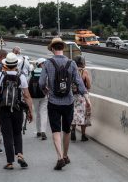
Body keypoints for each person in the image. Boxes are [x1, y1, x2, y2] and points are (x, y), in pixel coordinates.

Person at [39, 37, 91, 171]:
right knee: (67, 130)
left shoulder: (47, 63)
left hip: (53, 102)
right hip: (68, 102)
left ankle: (60, 156)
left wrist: (46, 91)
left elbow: (41, 82)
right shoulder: (72, 63)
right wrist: (87, 98)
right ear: (63, 48)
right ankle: (66, 155)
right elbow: (79, 83)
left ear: (52, 49)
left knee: (56, 131)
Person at [0, 52, 33, 170]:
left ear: (6, 64)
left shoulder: (0, 75)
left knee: (7, 135)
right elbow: (27, 95)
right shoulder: (21, 76)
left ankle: (10, 162)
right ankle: (20, 155)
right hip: (17, 108)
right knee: (17, 132)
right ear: (16, 64)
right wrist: (30, 111)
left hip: (3, 109)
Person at [71, 56, 92, 142]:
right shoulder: (84, 72)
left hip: (72, 96)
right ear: (83, 63)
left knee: (73, 113)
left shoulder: (72, 71)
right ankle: (83, 135)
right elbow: (89, 85)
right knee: (84, 115)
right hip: (82, 97)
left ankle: (73, 130)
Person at [29, 58, 48, 140]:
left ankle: (38, 131)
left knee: (37, 113)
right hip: (44, 95)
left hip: (34, 96)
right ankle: (43, 131)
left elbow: (27, 83)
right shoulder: (45, 72)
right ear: (41, 64)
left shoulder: (32, 72)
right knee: (43, 112)